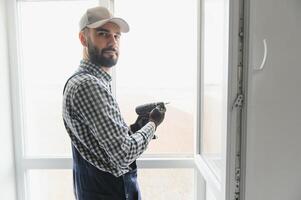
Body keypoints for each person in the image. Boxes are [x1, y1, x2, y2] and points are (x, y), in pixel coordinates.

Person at [62, 6, 166, 200]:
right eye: (103, 34)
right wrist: (153, 123)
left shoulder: (89, 81)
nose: (112, 41)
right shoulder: (88, 85)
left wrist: (135, 128)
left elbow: (102, 145)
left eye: (117, 36)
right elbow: (123, 154)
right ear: (83, 39)